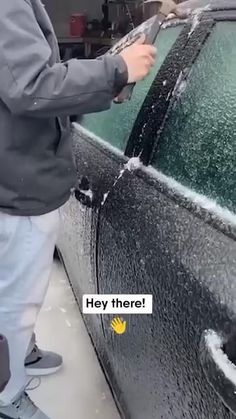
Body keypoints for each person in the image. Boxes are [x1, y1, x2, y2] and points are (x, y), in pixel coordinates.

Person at [0, 1, 157, 418]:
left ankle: (19, 350)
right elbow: (30, 87)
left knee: (19, 292)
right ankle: (6, 394)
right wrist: (115, 70)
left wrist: (110, 70)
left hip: (19, 172)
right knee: (13, 303)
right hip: (18, 185)